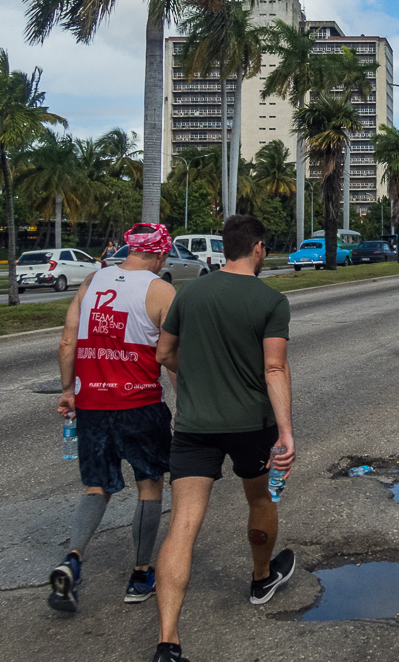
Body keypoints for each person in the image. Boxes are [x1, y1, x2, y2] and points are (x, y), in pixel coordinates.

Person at [152, 215, 295, 662]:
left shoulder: (189, 293)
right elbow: (274, 368)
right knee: (259, 501)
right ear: (257, 248)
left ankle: (168, 640)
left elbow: (164, 354)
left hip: (195, 427)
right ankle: (260, 578)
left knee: (183, 525)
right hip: (252, 426)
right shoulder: (271, 300)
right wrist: (286, 432)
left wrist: (189, 387)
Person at [48, 224, 177, 613]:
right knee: (149, 486)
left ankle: (73, 558)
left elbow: (68, 340)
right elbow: (170, 354)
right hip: (139, 405)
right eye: (165, 256)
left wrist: (69, 391)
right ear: (157, 254)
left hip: (92, 406)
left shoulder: (93, 280)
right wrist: (187, 398)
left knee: (96, 487)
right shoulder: (160, 290)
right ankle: (140, 574)